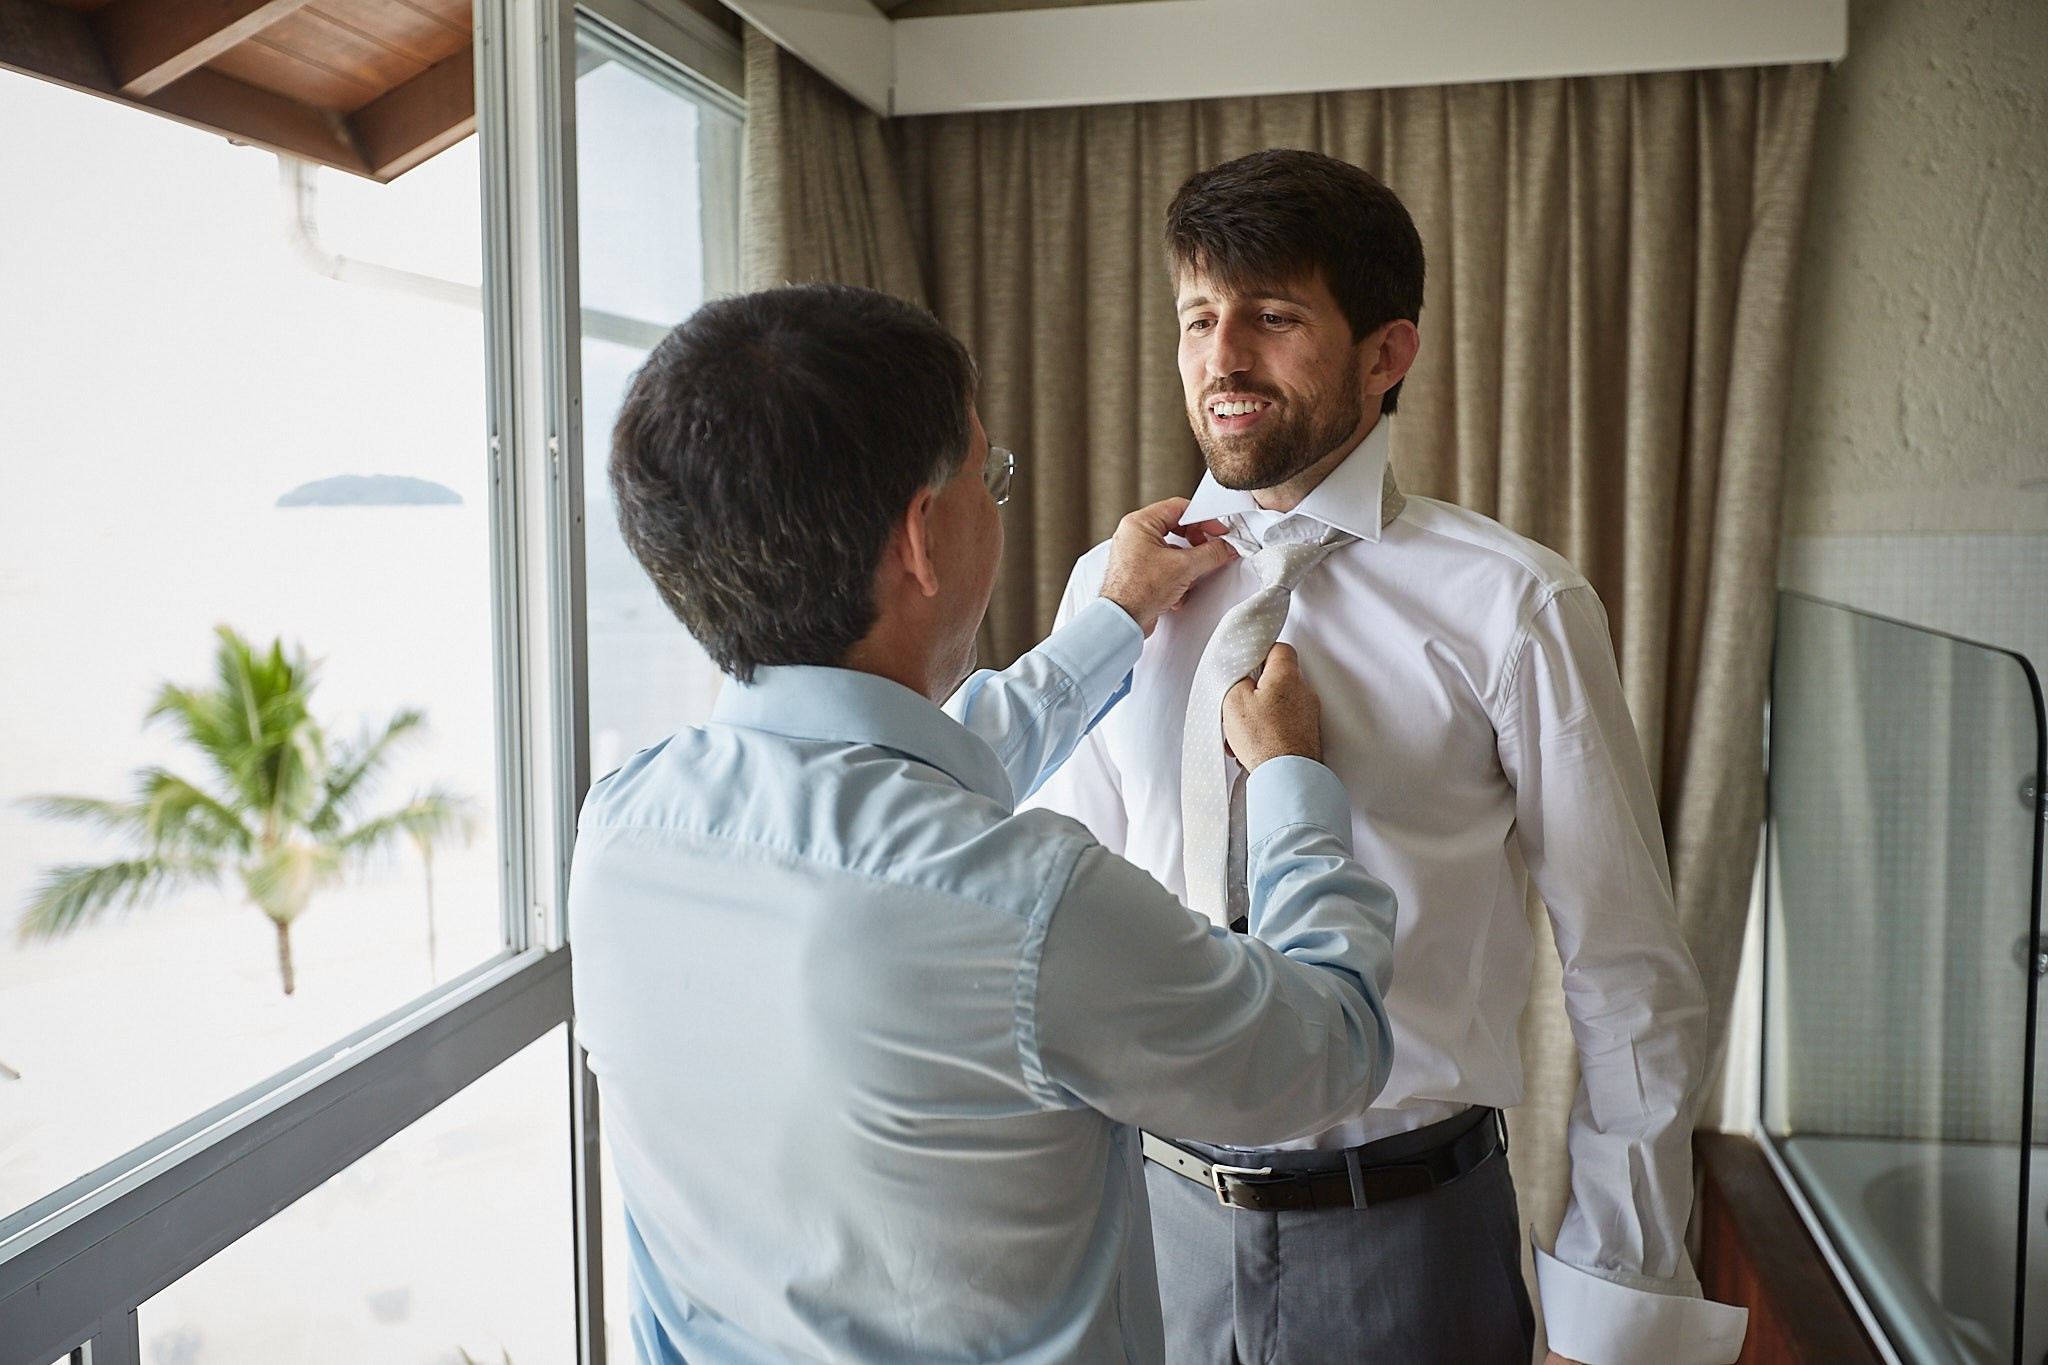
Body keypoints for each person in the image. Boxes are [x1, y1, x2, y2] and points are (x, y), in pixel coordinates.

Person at [568, 281, 1405, 1365]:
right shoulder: (1032, 906)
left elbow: (909, 783)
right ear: (922, 537)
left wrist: (1115, 618)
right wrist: (1291, 784)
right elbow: (1322, 1048)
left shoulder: (623, 828)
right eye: (985, 476)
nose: (992, 498)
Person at [1024, 149, 1750, 1365]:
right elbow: (1049, 914)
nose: (1221, 357)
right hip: (1144, 1232)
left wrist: (1611, 1300)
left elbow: (1625, 971)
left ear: (1385, 352)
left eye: (1271, 315)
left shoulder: (1513, 606)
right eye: (1198, 316)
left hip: (1409, 1236)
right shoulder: (1111, 600)